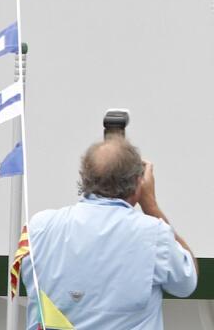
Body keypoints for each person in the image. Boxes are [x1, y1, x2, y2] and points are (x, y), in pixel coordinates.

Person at [19, 139, 196, 330]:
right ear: (139, 183)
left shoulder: (39, 227)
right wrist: (150, 204)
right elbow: (186, 282)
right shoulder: (153, 234)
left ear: (84, 178)